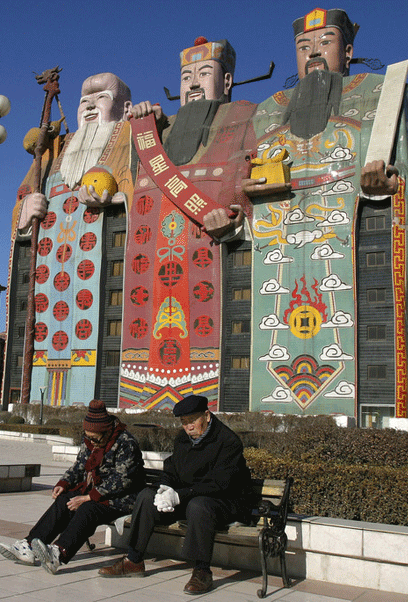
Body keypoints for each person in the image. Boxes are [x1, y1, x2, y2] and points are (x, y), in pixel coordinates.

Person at [247, 7, 408, 417]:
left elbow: (404, 169)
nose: (313, 52)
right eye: (303, 46)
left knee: (359, 326)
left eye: (325, 42)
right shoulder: (268, 109)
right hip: (280, 234)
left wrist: (390, 184)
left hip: (351, 228)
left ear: (346, 52)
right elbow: (245, 174)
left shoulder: (382, 90)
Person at [117, 39, 263, 412]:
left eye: (204, 73)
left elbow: (250, 171)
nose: (193, 83)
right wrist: (145, 125)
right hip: (152, 253)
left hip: (209, 254)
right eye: (186, 76)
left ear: (226, 81)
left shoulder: (245, 114)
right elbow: (121, 180)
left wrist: (233, 212)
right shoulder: (157, 129)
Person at [4, 72, 134, 406]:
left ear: (124, 108)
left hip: (101, 268)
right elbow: (22, 199)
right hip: (49, 271)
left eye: (101, 98)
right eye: (83, 101)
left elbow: (148, 192)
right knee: (42, 335)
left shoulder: (131, 137)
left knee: (98, 337)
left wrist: (117, 199)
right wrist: (24, 213)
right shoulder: (54, 151)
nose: (90, 106)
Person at [99, 394, 249, 594]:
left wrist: (180, 496)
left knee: (199, 506)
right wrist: (165, 488)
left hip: (223, 502)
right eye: (184, 422)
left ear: (206, 416)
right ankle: (133, 560)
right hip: (190, 497)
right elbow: (172, 468)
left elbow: (220, 483)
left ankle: (202, 571)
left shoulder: (228, 441)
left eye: (192, 420)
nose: (188, 426)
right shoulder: (183, 439)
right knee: (147, 496)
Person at [0, 399, 145, 574]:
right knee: (64, 500)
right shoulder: (90, 441)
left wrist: (89, 497)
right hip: (98, 493)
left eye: (94, 438)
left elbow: (124, 480)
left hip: (123, 498)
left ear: (106, 432)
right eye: (88, 437)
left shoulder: (125, 442)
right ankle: (29, 546)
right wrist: (64, 483)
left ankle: (58, 553)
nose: (91, 441)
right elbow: (79, 466)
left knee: (88, 508)